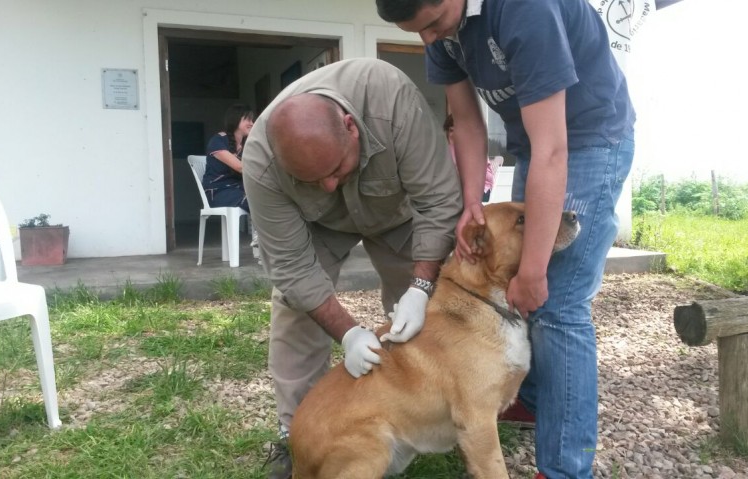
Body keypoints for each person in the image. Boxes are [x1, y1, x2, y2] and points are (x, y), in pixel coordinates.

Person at [376, 1, 635, 477]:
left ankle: (564, 468)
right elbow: (467, 123)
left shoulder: (523, 9)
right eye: (417, 33)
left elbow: (554, 149)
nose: (430, 40)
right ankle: (530, 399)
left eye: (432, 24)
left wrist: (535, 269)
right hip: (535, 143)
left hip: (589, 137)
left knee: (554, 302)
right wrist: (472, 201)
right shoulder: (440, 29)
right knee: (519, 280)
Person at [241, 58, 462, 479]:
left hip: (394, 213)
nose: (327, 184)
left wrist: (418, 287)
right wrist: (349, 332)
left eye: (335, 169)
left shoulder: (391, 100)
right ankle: (297, 436)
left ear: (350, 126)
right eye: (311, 179)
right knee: (294, 311)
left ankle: (438, 415)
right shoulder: (261, 162)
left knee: (427, 314)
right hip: (316, 224)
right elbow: (291, 266)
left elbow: (438, 201)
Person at [202, 103, 259, 247]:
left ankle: (262, 241)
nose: (252, 123)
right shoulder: (218, 140)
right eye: (248, 119)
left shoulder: (245, 145)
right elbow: (240, 167)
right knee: (258, 199)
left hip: (236, 190)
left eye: (252, 120)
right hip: (218, 191)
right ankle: (262, 239)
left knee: (268, 197)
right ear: (236, 119)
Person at [443, 113, 502, 202]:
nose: (453, 134)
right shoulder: (449, 149)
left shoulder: (473, 148)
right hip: (461, 189)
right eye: (451, 130)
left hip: (480, 190)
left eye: (456, 130)